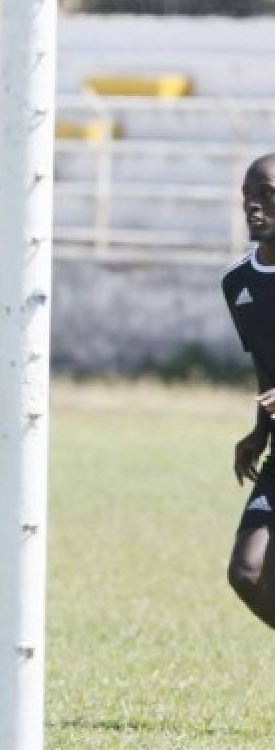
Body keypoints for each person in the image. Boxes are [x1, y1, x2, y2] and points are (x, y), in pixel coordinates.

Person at [225, 152, 275, 627]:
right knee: (247, 572)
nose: (253, 206)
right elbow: (266, 366)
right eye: (247, 195)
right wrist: (259, 433)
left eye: (267, 194)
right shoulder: (238, 282)